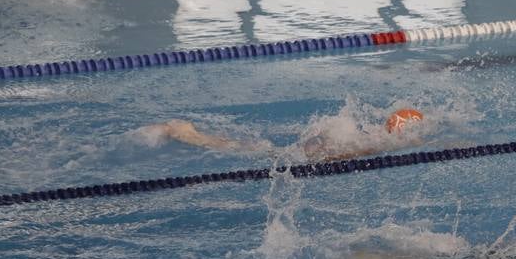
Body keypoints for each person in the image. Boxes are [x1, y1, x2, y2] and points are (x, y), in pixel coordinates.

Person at [142, 107, 425, 162]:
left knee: (258, 149)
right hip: (328, 150)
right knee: (261, 152)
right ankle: (187, 135)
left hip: (328, 142)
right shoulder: (383, 143)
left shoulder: (375, 134)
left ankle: (188, 134)